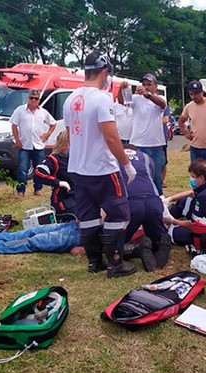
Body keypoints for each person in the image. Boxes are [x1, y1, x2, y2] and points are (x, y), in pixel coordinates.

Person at [64, 50, 138, 279]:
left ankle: (94, 262)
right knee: (119, 213)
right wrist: (127, 164)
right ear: (104, 72)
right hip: (103, 168)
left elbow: (69, 134)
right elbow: (112, 137)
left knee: (88, 216)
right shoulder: (101, 99)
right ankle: (115, 264)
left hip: (78, 168)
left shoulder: (70, 99)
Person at [118, 145, 171, 270]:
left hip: (131, 202)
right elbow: (150, 177)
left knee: (114, 247)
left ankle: (136, 249)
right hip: (153, 200)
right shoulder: (146, 157)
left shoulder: (115, 157)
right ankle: (160, 243)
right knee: (155, 238)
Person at [117, 73, 167, 195]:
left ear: (155, 86)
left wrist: (148, 95)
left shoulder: (160, 98)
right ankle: (139, 199)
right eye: (144, 84)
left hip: (156, 145)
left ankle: (159, 202)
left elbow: (162, 105)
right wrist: (121, 88)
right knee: (139, 176)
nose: (146, 87)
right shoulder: (135, 98)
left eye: (149, 84)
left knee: (157, 178)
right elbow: (122, 101)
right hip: (138, 143)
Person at [10, 89, 56, 197]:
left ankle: (38, 189)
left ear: (39, 100)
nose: (33, 100)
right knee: (22, 169)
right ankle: (21, 190)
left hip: (38, 145)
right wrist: (17, 140)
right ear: (28, 98)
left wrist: (47, 135)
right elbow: (14, 125)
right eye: (31, 98)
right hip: (25, 145)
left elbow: (53, 124)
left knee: (39, 169)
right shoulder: (20, 110)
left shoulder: (43, 112)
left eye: (36, 98)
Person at [33, 130, 76, 221]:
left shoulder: (78, 159)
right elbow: (38, 173)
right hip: (63, 201)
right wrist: (59, 182)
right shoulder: (54, 159)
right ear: (64, 144)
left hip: (78, 197)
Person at [0, 220, 84, 255]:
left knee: (35, 241)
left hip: (80, 237)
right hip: (76, 225)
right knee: (33, 231)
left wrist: (86, 249)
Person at [161, 105, 172, 188]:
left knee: (164, 161)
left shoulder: (164, 105)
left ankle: (163, 180)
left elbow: (165, 120)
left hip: (162, 138)